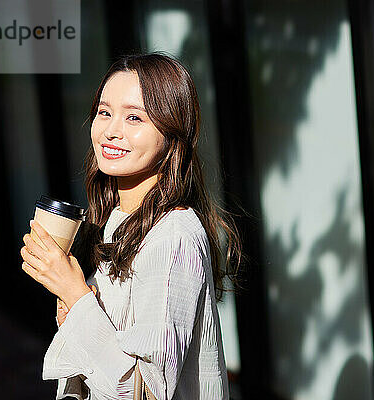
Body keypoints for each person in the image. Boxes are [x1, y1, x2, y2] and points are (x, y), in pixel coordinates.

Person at [20, 52, 243, 400]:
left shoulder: (174, 235)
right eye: (104, 113)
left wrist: (74, 293)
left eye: (134, 118)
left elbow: (144, 391)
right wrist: (74, 307)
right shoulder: (113, 221)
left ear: (171, 133)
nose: (111, 131)